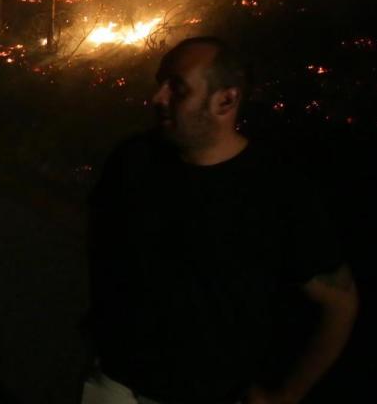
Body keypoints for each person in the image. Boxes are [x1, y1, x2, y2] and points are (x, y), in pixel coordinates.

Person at [84, 37, 359, 404]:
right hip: (114, 383)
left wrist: (287, 394)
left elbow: (340, 301)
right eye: (161, 82)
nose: (157, 97)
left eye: (177, 88)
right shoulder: (134, 159)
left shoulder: (277, 192)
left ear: (226, 100)